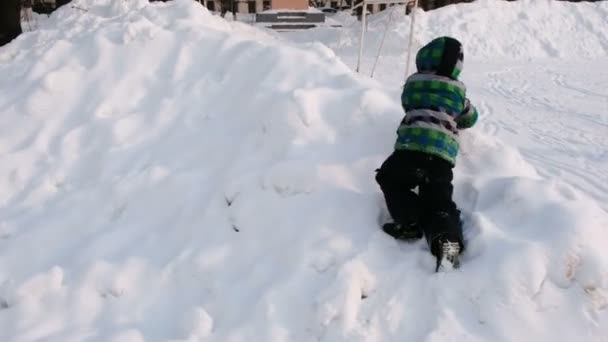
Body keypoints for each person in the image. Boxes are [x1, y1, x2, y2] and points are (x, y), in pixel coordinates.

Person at [375, 36, 478, 271]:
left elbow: (407, 105)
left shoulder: (412, 86)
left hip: (409, 149)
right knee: (440, 203)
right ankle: (448, 245)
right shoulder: (458, 94)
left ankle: (409, 222)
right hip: (441, 158)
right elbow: (469, 118)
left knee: (390, 180)